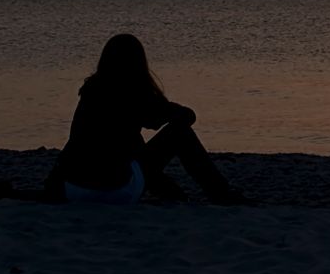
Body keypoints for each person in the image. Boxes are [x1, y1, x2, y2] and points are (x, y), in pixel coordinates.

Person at [45, 33, 245, 205]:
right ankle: (220, 193)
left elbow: (74, 146)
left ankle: (176, 191)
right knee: (180, 134)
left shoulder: (91, 92)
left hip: (73, 187)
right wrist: (166, 107)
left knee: (130, 149)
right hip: (114, 189)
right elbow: (186, 116)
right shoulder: (133, 92)